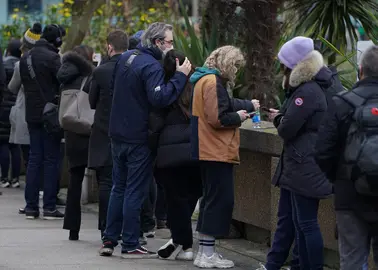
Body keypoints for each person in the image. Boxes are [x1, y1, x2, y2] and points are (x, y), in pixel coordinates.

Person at [99, 22, 192, 258]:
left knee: (118, 187)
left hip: (117, 132)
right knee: (134, 190)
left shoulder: (126, 57)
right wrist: (180, 77)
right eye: (170, 42)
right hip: (138, 136)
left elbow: (112, 90)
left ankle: (109, 239)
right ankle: (130, 242)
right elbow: (159, 97)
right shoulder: (151, 66)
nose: (172, 47)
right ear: (158, 42)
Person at [190, 45, 259, 268]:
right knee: (220, 201)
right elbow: (217, 117)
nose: (236, 71)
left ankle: (204, 252)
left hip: (205, 148)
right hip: (215, 150)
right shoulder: (213, 82)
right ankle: (208, 253)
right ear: (228, 63)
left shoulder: (203, 79)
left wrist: (246, 106)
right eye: (236, 66)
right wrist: (239, 116)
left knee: (210, 200)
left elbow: (221, 105)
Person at [266, 37, 333, 269]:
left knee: (306, 223)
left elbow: (286, 128)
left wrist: (277, 118)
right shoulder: (312, 88)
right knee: (301, 221)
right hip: (306, 164)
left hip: (305, 166)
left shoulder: (307, 92)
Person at [316, 45, 378, 269]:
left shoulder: (341, 102)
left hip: (349, 197)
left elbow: (322, 151)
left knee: (352, 261)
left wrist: (340, 178)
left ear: (361, 70)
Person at [156, 49, 201, 261]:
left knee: (175, 200)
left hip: (168, 153)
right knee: (189, 195)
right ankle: (180, 241)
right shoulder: (198, 84)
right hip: (195, 150)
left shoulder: (165, 87)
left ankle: (183, 243)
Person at [19, 24, 66, 220]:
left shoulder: (25, 58)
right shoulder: (53, 58)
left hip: (32, 114)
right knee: (51, 159)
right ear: (56, 40)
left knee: (34, 159)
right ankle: (49, 206)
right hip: (50, 114)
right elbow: (62, 80)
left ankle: (30, 207)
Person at [88, 30, 129, 238]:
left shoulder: (101, 71)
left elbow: (91, 101)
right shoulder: (132, 69)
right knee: (125, 182)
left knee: (106, 182)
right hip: (127, 130)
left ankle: (105, 227)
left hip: (103, 130)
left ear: (109, 47)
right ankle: (126, 228)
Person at [58, 45, 94, 240]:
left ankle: (73, 229)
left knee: (74, 181)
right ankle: (106, 229)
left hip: (71, 132)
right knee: (105, 180)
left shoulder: (63, 78)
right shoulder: (89, 77)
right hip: (89, 131)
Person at [0, 39, 22, 188]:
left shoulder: (4, 64)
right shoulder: (20, 65)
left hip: (3, 107)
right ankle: (15, 178)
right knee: (15, 145)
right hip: (16, 107)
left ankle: (4, 178)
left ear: (8, 51)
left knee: (2, 143)